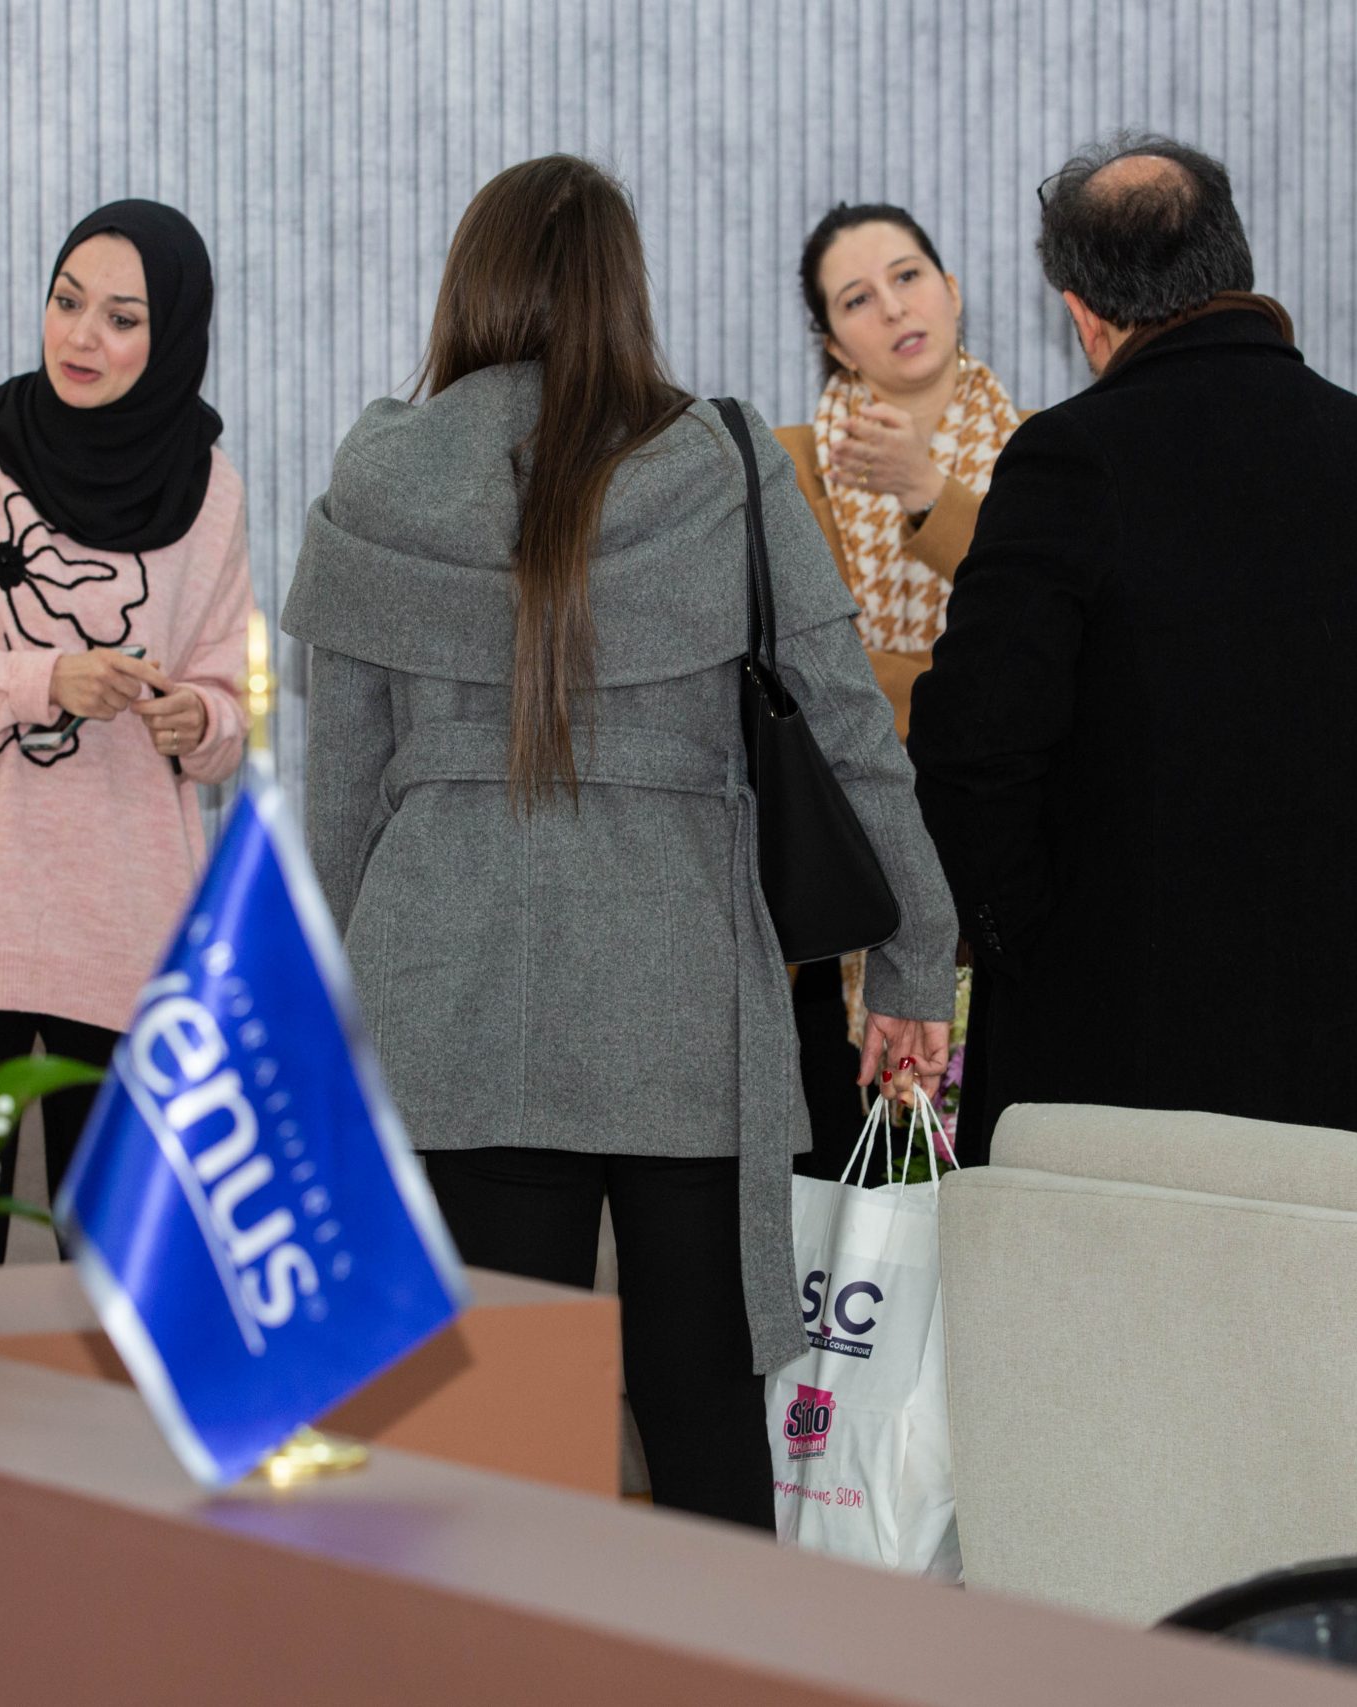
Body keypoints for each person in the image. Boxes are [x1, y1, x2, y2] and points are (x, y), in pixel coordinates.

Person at [283, 156, 957, 1529]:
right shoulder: (722, 463)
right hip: (681, 997)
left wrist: (323, 1026)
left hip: (445, 994)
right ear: (623, 291)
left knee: (489, 1434)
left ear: (471, 284)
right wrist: (913, 961)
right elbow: (848, 733)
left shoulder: (382, 473)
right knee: (704, 1413)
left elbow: (342, 792)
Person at [905, 133, 1357, 1165]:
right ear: (1235, 260)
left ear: (1082, 314)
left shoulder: (1069, 462)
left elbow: (970, 754)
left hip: (1135, 1078)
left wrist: (1025, 950)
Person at [0, 200, 253, 1265]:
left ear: (171, 335)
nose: (82, 336)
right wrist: (47, 677)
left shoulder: (210, 490)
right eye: (66, 301)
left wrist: (198, 717)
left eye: (122, 319)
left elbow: (229, 712)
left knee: (118, 1295)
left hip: (127, 935)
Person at [776, 202, 1023, 1174]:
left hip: (1003, 880)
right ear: (835, 345)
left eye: (908, 275)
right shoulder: (788, 470)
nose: (892, 307)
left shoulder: (1049, 453)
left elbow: (1070, 657)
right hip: (839, 891)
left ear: (952, 290)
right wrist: (953, 690)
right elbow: (801, 692)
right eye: (856, 298)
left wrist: (932, 497)